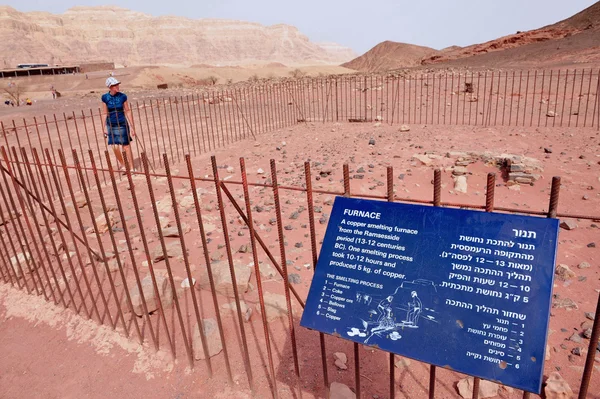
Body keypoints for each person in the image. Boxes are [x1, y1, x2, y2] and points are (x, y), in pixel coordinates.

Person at [101, 77, 136, 172]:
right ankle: (123, 165)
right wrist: (103, 127)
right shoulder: (105, 98)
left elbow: (128, 111)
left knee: (126, 146)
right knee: (114, 146)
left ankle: (132, 168)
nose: (117, 86)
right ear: (110, 87)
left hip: (122, 123)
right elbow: (104, 113)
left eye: (117, 84)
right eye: (114, 85)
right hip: (111, 124)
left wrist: (132, 127)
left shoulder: (123, 96)